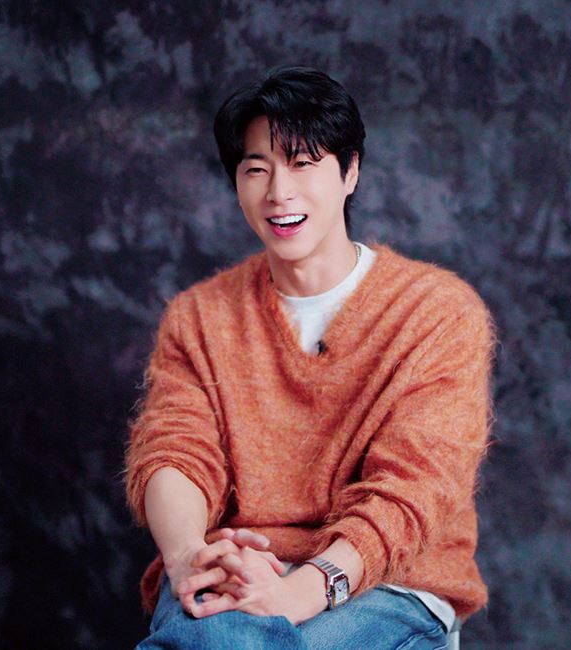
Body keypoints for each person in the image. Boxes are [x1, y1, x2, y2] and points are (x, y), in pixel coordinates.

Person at [125, 65, 496, 649]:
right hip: (243, 567)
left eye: (302, 163)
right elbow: (176, 450)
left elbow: (414, 488)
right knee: (227, 637)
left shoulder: (436, 312)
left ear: (350, 172)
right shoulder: (199, 317)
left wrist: (303, 590)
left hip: (387, 580)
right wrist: (190, 555)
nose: (279, 192)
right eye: (256, 169)